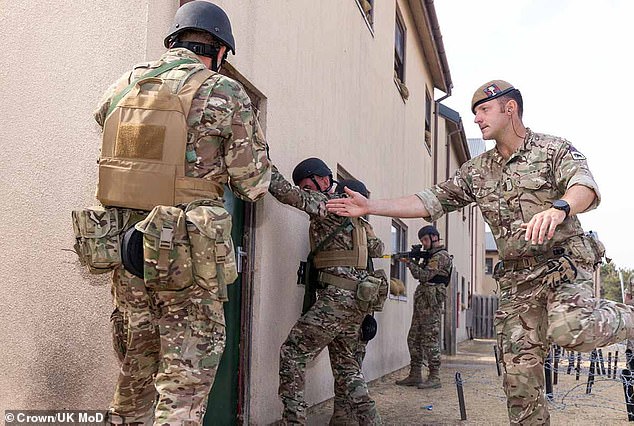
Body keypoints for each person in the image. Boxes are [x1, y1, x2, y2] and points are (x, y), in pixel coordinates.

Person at [326, 79, 634, 425]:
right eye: (474, 113)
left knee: (569, 329)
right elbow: (429, 201)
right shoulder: (477, 171)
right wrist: (371, 205)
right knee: (518, 383)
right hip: (518, 283)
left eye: (484, 110)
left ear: (510, 108)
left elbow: (585, 188)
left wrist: (559, 208)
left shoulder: (552, 149)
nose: (477, 119)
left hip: (561, 266)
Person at [92, 2, 271, 424]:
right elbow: (253, 182)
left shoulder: (126, 84)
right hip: (186, 255)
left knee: (134, 371)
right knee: (184, 385)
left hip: (127, 249)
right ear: (220, 51)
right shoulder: (225, 92)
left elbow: (103, 121)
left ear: (174, 40)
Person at [269, 159, 384, 425]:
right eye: (303, 187)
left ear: (323, 180)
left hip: (337, 299)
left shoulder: (331, 203)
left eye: (308, 185)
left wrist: (261, 160)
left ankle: (293, 422)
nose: (306, 191)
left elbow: (285, 192)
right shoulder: (359, 220)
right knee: (347, 367)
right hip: (357, 301)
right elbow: (375, 250)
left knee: (293, 353)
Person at [395, 225, 452, 389]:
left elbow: (424, 275)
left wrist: (409, 263)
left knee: (430, 339)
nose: (424, 243)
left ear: (435, 237)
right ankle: (415, 374)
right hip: (423, 301)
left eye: (425, 240)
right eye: (422, 241)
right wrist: (412, 262)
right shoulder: (430, 256)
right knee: (414, 339)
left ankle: (435, 377)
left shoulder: (440, 256)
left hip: (430, 302)